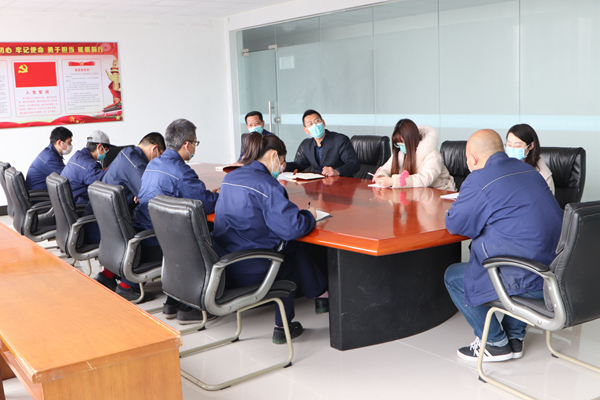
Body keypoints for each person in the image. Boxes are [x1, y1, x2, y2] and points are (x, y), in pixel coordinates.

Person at [444, 129, 563, 362]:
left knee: (453, 277)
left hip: (525, 278)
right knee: (520, 253)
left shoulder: (479, 179)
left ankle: (495, 343)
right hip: (555, 275)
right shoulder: (530, 171)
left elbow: (456, 224)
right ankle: (515, 337)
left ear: (472, 159)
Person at [212, 132, 328, 344]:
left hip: (223, 261)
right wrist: (309, 216)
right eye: (282, 161)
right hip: (251, 265)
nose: (282, 167)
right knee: (290, 254)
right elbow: (292, 228)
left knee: (292, 248)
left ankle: (321, 294)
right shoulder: (268, 185)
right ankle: (283, 326)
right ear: (273, 155)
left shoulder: (230, 178)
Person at [134, 119, 219, 323]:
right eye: (195, 143)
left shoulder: (154, 163)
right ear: (186, 144)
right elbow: (206, 204)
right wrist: (219, 195)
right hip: (163, 242)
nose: (194, 147)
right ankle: (191, 306)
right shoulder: (181, 171)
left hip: (147, 234)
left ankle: (172, 302)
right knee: (214, 237)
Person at [90, 132, 166, 301]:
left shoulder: (125, 154)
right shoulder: (138, 166)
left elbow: (141, 192)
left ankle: (108, 275)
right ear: (154, 149)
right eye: (160, 155)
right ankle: (127, 286)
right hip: (119, 225)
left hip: (107, 224)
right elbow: (152, 198)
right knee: (158, 229)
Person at [374, 119, 455, 190]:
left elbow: (425, 179)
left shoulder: (432, 154)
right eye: (398, 143)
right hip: (417, 194)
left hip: (440, 193)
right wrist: (381, 177)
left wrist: (394, 181)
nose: (401, 146)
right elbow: (386, 169)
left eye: (403, 142)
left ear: (412, 139)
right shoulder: (401, 153)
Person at [284, 109, 359, 177]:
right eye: (310, 124)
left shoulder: (340, 140)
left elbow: (354, 163)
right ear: (306, 130)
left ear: (323, 123)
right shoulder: (308, 145)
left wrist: (337, 171)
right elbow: (298, 165)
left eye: (317, 121)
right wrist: (284, 166)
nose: (315, 125)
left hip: (341, 184)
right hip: (320, 184)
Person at [60, 130, 110, 205]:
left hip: (68, 200)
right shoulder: (91, 165)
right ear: (99, 146)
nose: (106, 153)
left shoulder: (77, 155)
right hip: (79, 204)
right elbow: (106, 185)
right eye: (106, 150)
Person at [506, 123, 555, 194]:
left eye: (517, 146)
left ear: (531, 145)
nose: (512, 149)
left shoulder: (542, 174)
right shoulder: (504, 165)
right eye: (509, 145)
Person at [26, 126, 73, 191]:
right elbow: (66, 177)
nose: (70, 145)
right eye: (69, 142)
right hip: (41, 194)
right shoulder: (51, 158)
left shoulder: (49, 152)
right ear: (59, 142)